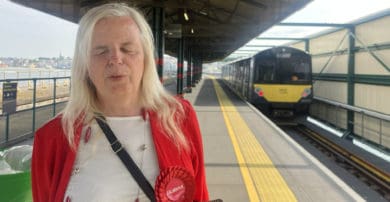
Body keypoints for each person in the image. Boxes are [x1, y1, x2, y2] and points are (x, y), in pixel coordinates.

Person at [31, 3, 209, 202]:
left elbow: (199, 194)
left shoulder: (179, 117)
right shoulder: (53, 138)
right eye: (100, 51)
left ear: (146, 58)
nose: (115, 59)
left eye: (127, 49)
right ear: (84, 64)